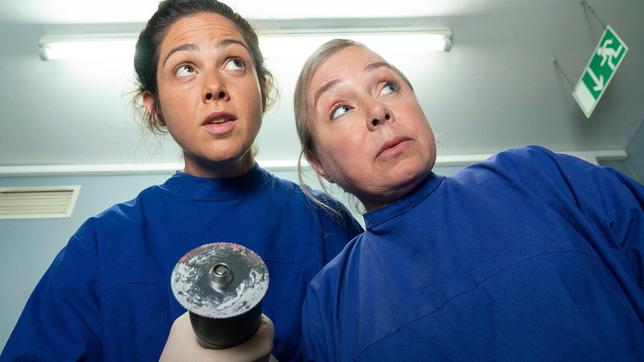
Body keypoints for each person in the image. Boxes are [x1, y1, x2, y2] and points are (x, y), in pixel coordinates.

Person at [0, 3, 362, 361]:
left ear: (263, 87)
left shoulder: (324, 222)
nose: (214, 87)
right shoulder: (100, 244)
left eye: (234, 62)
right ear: (154, 106)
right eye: (185, 68)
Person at [293, 39, 644, 361]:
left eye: (388, 87)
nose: (378, 110)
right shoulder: (331, 303)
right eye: (340, 108)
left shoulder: (537, 176)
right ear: (319, 163)